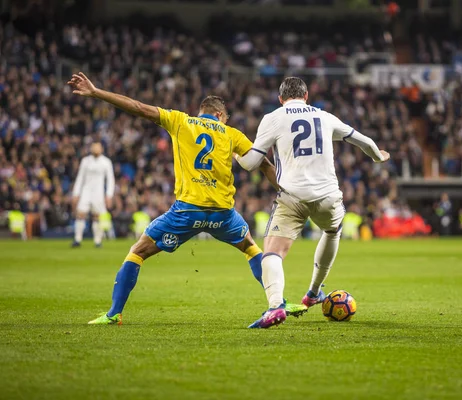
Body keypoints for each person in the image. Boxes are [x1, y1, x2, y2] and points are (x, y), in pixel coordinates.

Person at [66, 72, 307, 325]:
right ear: (219, 115)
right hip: (223, 215)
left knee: (137, 252)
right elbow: (265, 164)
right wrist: (286, 192)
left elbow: (138, 108)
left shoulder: (181, 121)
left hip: (186, 212)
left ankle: (114, 313)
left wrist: (96, 92)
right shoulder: (230, 133)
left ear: (201, 111)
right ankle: (278, 302)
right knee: (251, 248)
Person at [236, 77, 389, 328]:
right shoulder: (325, 116)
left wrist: (237, 156)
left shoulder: (273, 117)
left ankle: (275, 306)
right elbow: (363, 141)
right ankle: (314, 291)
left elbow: (251, 164)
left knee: (273, 253)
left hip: (292, 196)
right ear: (306, 96)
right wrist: (378, 157)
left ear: (280, 98)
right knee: (332, 231)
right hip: (328, 195)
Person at [71, 141, 115, 248]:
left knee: (97, 216)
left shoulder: (106, 162)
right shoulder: (85, 161)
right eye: (94, 147)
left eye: (97, 147)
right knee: (81, 214)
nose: (95, 149)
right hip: (86, 191)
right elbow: (80, 178)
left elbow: (110, 180)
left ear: (101, 149)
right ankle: (77, 239)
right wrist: (76, 193)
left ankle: (97, 240)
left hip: (98, 193)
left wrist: (109, 195)